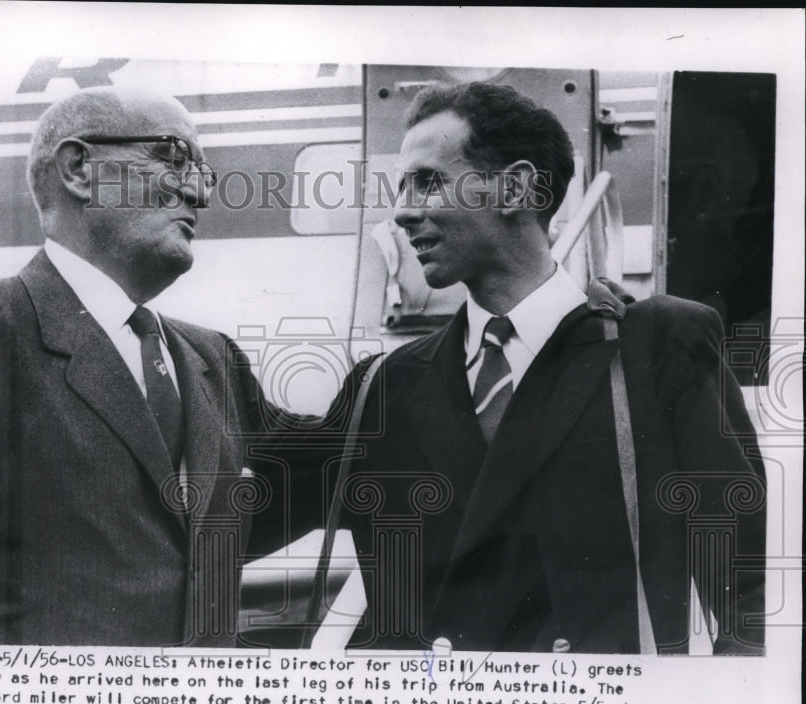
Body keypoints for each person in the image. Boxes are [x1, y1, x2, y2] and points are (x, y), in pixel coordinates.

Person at [328, 82, 766, 654]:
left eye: (428, 181)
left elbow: (749, 594)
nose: (404, 211)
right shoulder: (386, 384)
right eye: (403, 186)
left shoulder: (661, 346)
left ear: (515, 188)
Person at [0, 87, 289, 647]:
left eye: (205, 172)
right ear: (80, 170)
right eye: (175, 157)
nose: (199, 190)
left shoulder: (213, 359)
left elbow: (343, 461)